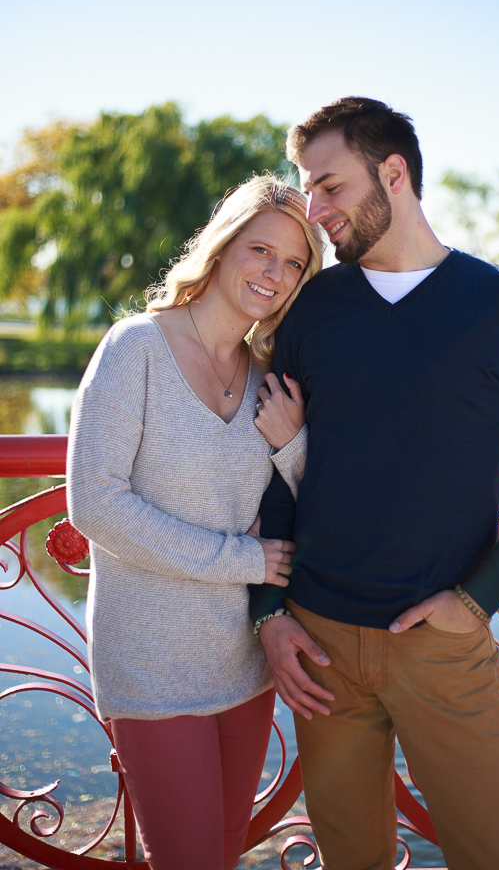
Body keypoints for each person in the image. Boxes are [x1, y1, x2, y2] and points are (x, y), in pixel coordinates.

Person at [249, 98, 499, 870]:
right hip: (321, 647)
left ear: (394, 174)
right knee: (353, 859)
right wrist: (269, 613)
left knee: (494, 856)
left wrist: (478, 599)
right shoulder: (311, 311)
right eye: (309, 188)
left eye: (331, 186)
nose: (316, 211)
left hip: (444, 646)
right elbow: (276, 468)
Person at [67, 175, 323, 870]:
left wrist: (294, 443)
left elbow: (308, 504)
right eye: (260, 250)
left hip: (244, 663)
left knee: (221, 855)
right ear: (221, 246)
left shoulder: (269, 373)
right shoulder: (135, 349)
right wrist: (240, 561)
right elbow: (93, 502)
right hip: (151, 663)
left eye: (294, 262)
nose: (275, 273)